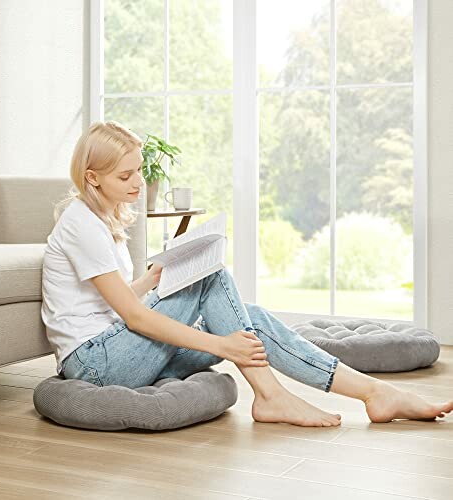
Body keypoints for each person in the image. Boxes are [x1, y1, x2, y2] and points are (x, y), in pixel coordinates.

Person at [41, 121, 453, 427]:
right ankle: (271, 395)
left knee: (250, 317)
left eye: (139, 171)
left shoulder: (103, 220)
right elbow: (134, 317)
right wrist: (222, 344)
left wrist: (155, 276)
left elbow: (112, 301)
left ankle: (374, 392)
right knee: (214, 279)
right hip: (95, 363)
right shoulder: (81, 224)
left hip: (118, 349)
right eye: (125, 176)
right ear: (92, 178)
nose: (138, 183)